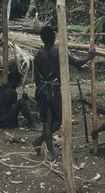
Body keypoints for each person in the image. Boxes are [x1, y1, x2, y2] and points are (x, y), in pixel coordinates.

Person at [32, 25, 96, 159]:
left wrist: (39, 92)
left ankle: (43, 144)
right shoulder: (57, 52)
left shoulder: (38, 55)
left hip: (42, 89)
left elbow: (36, 77)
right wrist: (90, 56)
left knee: (47, 120)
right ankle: (44, 145)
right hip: (54, 88)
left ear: (42, 38)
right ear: (54, 37)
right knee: (61, 117)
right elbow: (77, 63)